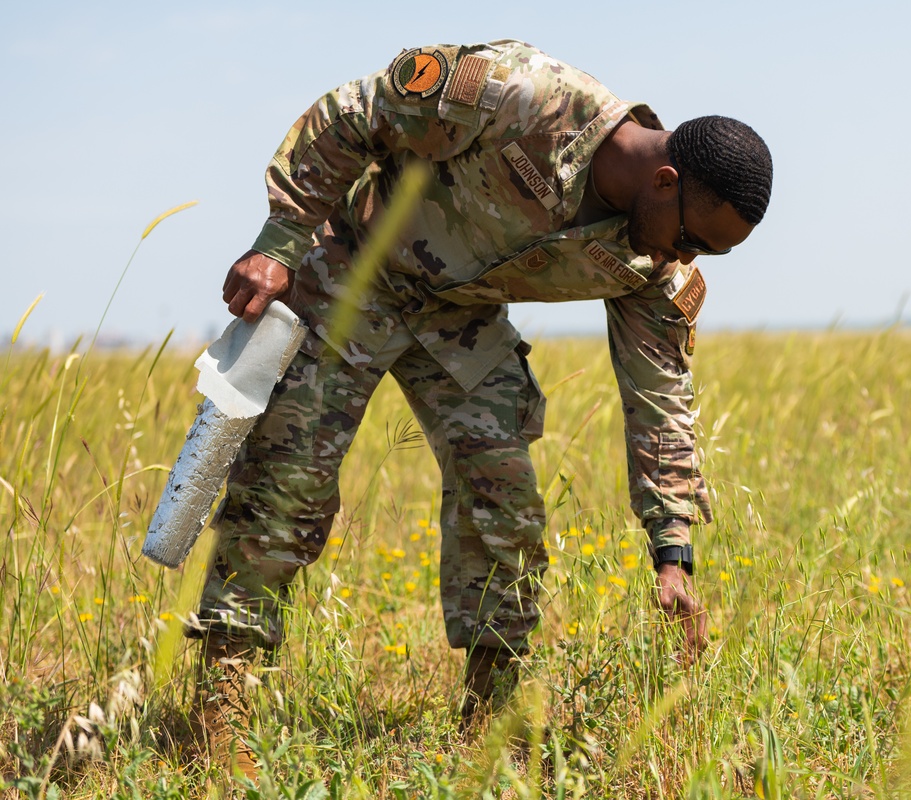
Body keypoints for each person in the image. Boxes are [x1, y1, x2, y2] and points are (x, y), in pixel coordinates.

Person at [188, 38, 772, 777]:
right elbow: (356, 113)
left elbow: (660, 399)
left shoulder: (651, 265)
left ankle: (491, 716)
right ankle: (222, 700)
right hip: (355, 265)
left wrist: (673, 549)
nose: (689, 261)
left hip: (455, 313)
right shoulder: (523, 95)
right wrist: (279, 238)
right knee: (288, 479)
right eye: (695, 240)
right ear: (663, 180)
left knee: (504, 499)